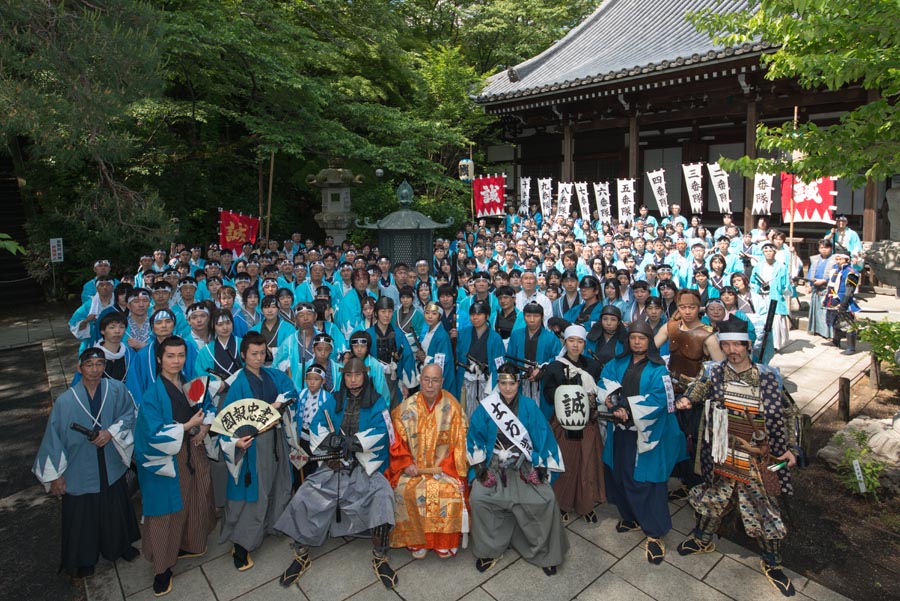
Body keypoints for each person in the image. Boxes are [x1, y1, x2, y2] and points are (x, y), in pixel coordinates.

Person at [676, 318, 800, 597]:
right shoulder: (713, 372)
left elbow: (789, 413)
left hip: (759, 456)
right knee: (713, 496)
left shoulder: (768, 377)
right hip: (720, 451)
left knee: (765, 506)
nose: (732, 350)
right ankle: (703, 539)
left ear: (748, 346)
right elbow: (697, 390)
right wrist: (686, 399)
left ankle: (773, 562)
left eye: (738, 344)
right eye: (727, 344)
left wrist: (791, 448)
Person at [275, 357, 398, 590]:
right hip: (334, 466)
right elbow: (317, 425)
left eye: (357, 375)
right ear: (344, 377)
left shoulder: (378, 402)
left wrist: (355, 442)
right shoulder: (334, 399)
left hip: (365, 466)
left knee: (383, 495)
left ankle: (380, 557)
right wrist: (331, 440)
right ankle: (301, 554)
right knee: (304, 495)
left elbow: (383, 432)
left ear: (365, 375)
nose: (353, 380)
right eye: (349, 376)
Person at [33, 348, 140, 579]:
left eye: (100, 364)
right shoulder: (66, 401)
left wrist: (110, 433)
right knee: (82, 515)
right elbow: (53, 440)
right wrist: (55, 476)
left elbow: (129, 415)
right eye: (89, 364)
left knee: (115, 506)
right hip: (79, 466)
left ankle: (118, 547)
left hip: (110, 461)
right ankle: (84, 558)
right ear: (79, 368)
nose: (95, 369)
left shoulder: (117, 390)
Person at [134, 336, 216, 596]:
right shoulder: (152, 394)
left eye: (181, 355)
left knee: (196, 496)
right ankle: (162, 568)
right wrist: (188, 426)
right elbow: (152, 433)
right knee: (165, 510)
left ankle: (188, 543)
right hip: (166, 459)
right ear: (159, 358)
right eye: (170, 356)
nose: (176, 361)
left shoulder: (189, 383)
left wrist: (203, 427)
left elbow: (207, 408)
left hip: (193, 449)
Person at [467, 364, 568, 576]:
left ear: (518, 383)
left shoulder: (530, 406)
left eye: (511, 383)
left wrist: (540, 467)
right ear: (498, 384)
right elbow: (474, 437)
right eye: (502, 383)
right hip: (494, 466)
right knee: (478, 497)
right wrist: (480, 469)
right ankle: (489, 549)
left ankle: (545, 553)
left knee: (546, 498)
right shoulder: (487, 407)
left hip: (524, 464)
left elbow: (543, 436)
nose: (507, 388)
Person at [601, 321, 685, 564]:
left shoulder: (660, 370)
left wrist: (627, 406)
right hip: (620, 431)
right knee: (620, 475)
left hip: (648, 434)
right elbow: (605, 383)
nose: (637, 342)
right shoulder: (616, 363)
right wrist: (611, 400)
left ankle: (655, 532)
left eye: (642, 338)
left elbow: (662, 401)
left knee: (647, 481)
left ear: (650, 341)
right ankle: (632, 516)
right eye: (633, 338)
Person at [218, 332, 299, 570]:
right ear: (243, 355)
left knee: (280, 482)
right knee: (256, 492)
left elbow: (291, 393)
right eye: (254, 353)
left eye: (263, 353)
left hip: (276, 438)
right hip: (253, 445)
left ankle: (273, 525)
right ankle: (242, 543)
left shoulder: (273, 375)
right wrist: (236, 444)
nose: (259, 357)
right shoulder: (238, 385)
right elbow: (226, 423)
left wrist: (278, 405)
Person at [386, 364, 467, 559]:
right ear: (420, 380)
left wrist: (448, 469)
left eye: (435, 380)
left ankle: (443, 542)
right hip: (413, 470)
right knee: (405, 490)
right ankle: (417, 541)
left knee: (446, 491)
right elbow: (396, 441)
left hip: (443, 470)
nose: (430, 385)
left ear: (442, 382)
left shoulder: (453, 407)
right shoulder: (405, 409)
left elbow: (460, 444)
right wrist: (406, 463)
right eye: (426, 380)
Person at [542, 325, 606, 522]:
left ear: (584, 344)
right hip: (564, 421)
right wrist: (566, 393)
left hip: (587, 422)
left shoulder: (593, 367)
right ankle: (562, 504)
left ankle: (585, 504)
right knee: (566, 463)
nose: (575, 345)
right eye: (571, 341)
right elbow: (548, 393)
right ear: (565, 342)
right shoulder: (555, 367)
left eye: (579, 342)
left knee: (587, 462)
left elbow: (599, 392)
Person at [455, 301, 504, 415]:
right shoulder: (463, 333)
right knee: (465, 411)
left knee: (486, 413)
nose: (475, 317)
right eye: (472, 314)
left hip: (485, 380)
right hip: (466, 379)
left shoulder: (495, 338)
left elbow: (499, 364)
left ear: (487, 316)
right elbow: (458, 355)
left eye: (479, 314)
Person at [824, 245, 861, 354]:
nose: (838, 261)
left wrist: (844, 303)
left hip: (844, 300)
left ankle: (851, 347)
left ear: (847, 259)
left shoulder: (851, 272)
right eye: (837, 258)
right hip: (833, 299)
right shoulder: (835, 270)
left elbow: (850, 289)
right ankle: (836, 340)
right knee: (835, 321)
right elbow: (831, 285)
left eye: (840, 259)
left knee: (848, 324)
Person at [806, 239, 835, 339]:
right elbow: (810, 272)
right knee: (816, 310)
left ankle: (826, 333)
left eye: (826, 248)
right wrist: (809, 284)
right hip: (815, 286)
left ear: (830, 248)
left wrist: (824, 280)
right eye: (821, 248)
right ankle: (815, 329)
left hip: (827, 288)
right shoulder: (815, 259)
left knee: (825, 312)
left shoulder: (835, 259)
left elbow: (835, 274)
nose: (824, 250)